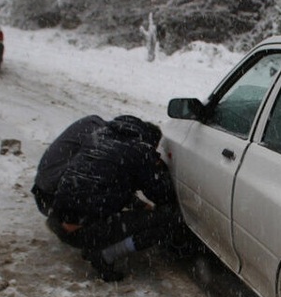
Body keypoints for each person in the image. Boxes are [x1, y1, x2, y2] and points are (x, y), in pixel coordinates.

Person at [32, 114, 179, 281]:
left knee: (100, 203)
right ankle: (103, 255)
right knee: (168, 220)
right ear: (150, 141)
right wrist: (156, 168)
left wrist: (138, 204)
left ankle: (89, 237)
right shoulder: (140, 151)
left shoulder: (98, 137)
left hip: (57, 220)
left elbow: (104, 185)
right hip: (83, 230)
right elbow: (162, 195)